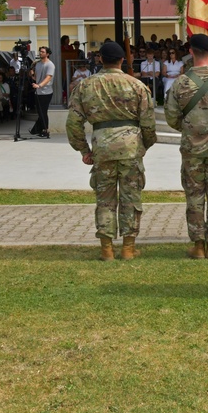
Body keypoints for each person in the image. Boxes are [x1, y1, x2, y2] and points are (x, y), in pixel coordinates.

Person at [66, 41, 157, 261]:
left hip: (102, 148)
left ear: (100, 60)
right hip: (130, 148)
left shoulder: (85, 86)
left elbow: (73, 123)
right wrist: (144, 145)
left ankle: (106, 249)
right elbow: (148, 123)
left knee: (105, 199)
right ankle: (128, 247)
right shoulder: (136, 85)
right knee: (130, 198)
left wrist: (84, 150)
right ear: (122, 60)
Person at [163, 34, 208, 259]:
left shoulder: (179, 83)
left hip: (191, 148)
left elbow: (171, 116)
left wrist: (189, 128)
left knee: (194, 195)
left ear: (191, 52)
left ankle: (198, 245)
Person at [29, 46, 54, 138]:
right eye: (40, 52)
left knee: (43, 112)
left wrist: (39, 85)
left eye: (43, 52)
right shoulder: (38, 64)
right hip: (38, 91)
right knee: (40, 112)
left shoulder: (50, 65)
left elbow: (48, 78)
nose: (40, 53)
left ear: (47, 54)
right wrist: (32, 73)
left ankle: (45, 130)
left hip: (46, 92)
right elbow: (36, 77)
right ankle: (38, 129)